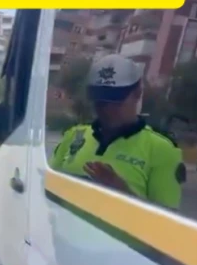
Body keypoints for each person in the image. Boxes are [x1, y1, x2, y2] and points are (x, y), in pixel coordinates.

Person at [49, 54, 185, 210]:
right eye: (101, 99)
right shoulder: (74, 136)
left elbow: (164, 220)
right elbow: (46, 187)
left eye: (115, 100)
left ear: (137, 93)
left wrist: (123, 193)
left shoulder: (162, 150)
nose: (106, 108)